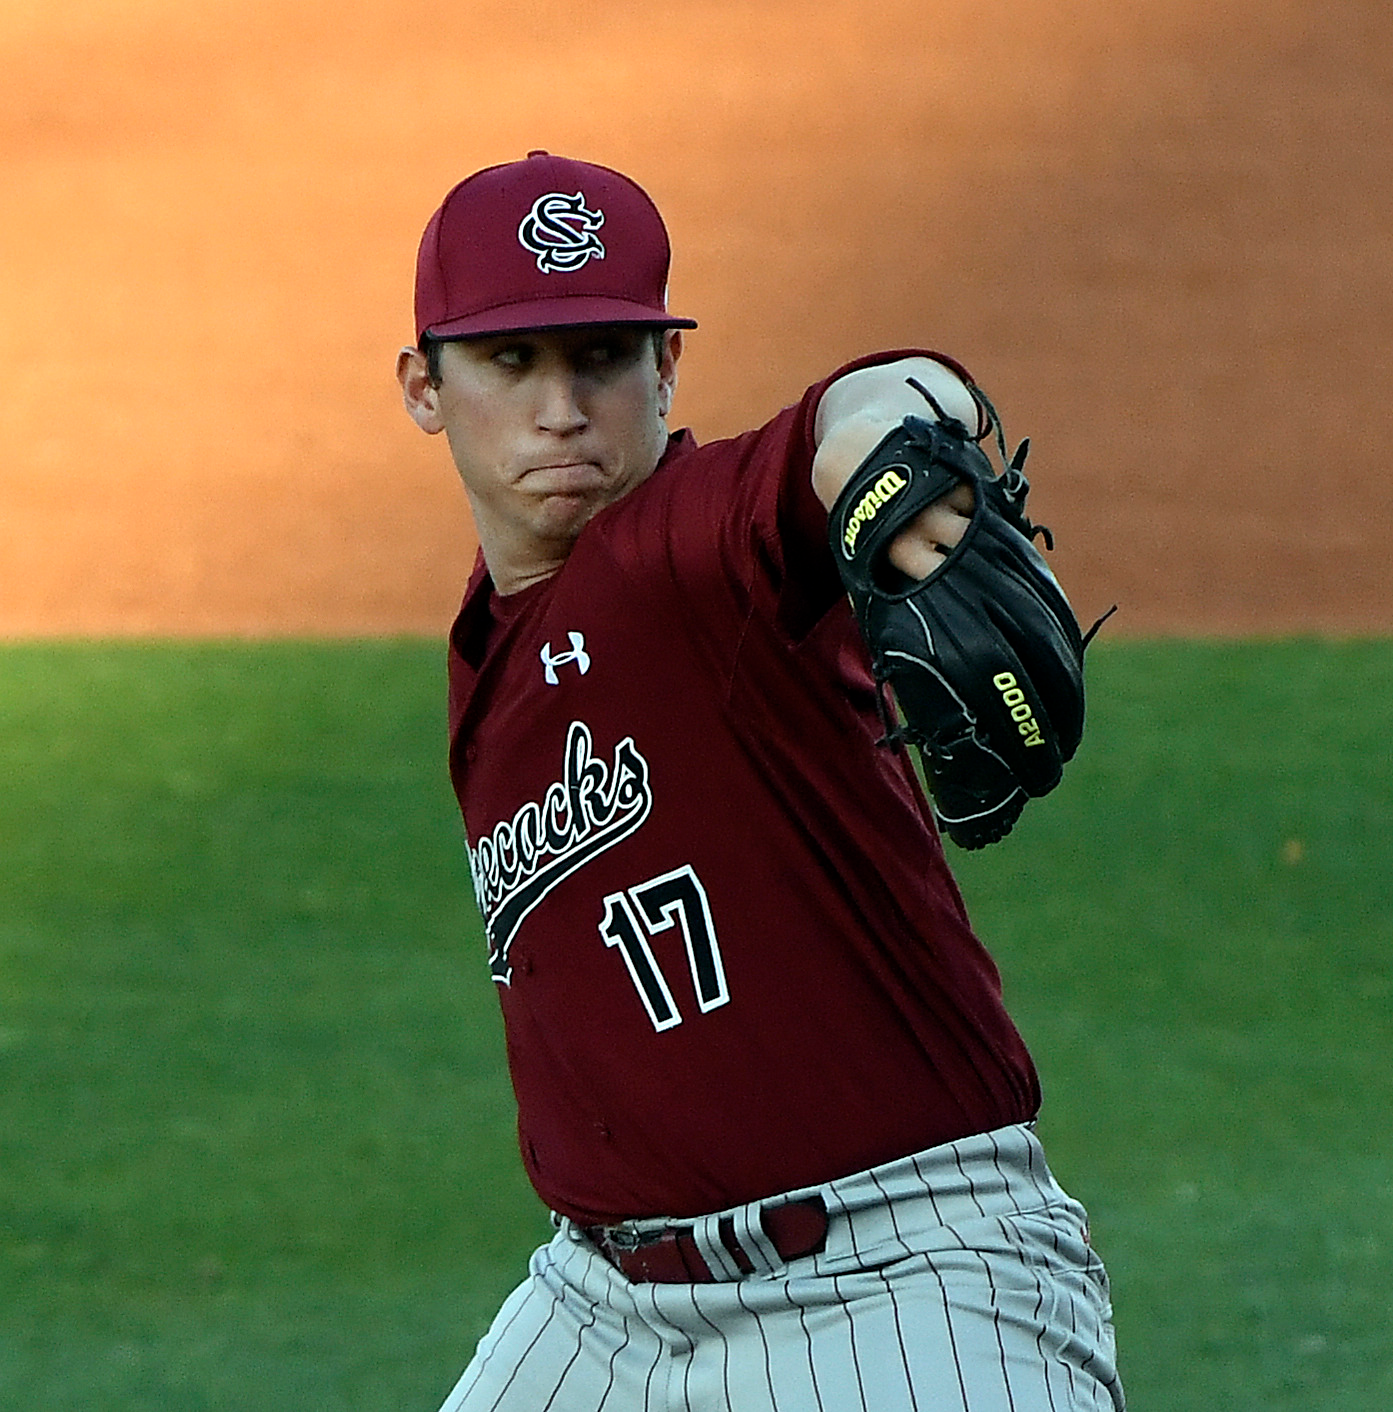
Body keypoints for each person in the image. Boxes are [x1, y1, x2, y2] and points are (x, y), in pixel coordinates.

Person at [396, 150, 1124, 1412]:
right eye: (513, 364)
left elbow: (862, 408)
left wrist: (907, 446)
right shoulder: (494, 626)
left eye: (602, 358)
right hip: (603, 1307)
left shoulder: (688, 549)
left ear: (665, 371)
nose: (562, 408)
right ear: (425, 387)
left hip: (896, 1275)